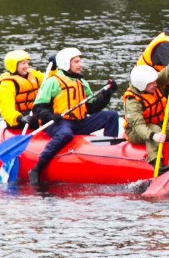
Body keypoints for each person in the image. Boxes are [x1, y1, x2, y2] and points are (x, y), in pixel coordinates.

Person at [28, 48, 120, 184]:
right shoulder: (53, 82)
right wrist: (52, 116)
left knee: (111, 116)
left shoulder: (81, 83)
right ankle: (37, 168)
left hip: (79, 122)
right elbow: (37, 108)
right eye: (76, 61)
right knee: (65, 134)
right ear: (66, 63)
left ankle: (109, 156)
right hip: (58, 123)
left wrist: (107, 93)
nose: (80, 64)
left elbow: (92, 107)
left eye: (80, 61)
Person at [123, 62, 169, 171]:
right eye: (152, 83)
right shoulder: (132, 102)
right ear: (142, 85)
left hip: (158, 126)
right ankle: (156, 163)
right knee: (154, 129)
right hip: (136, 132)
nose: (155, 84)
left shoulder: (153, 84)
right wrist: (153, 135)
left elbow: (163, 75)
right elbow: (138, 126)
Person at [0, 49, 45, 129]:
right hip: (20, 119)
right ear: (13, 66)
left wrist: (53, 69)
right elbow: (6, 109)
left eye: (27, 63)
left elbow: (50, 80)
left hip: (35, 111)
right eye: (23, 63)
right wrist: (19, 118)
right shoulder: (7, 84)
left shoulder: (33, 74)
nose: (27, 66)